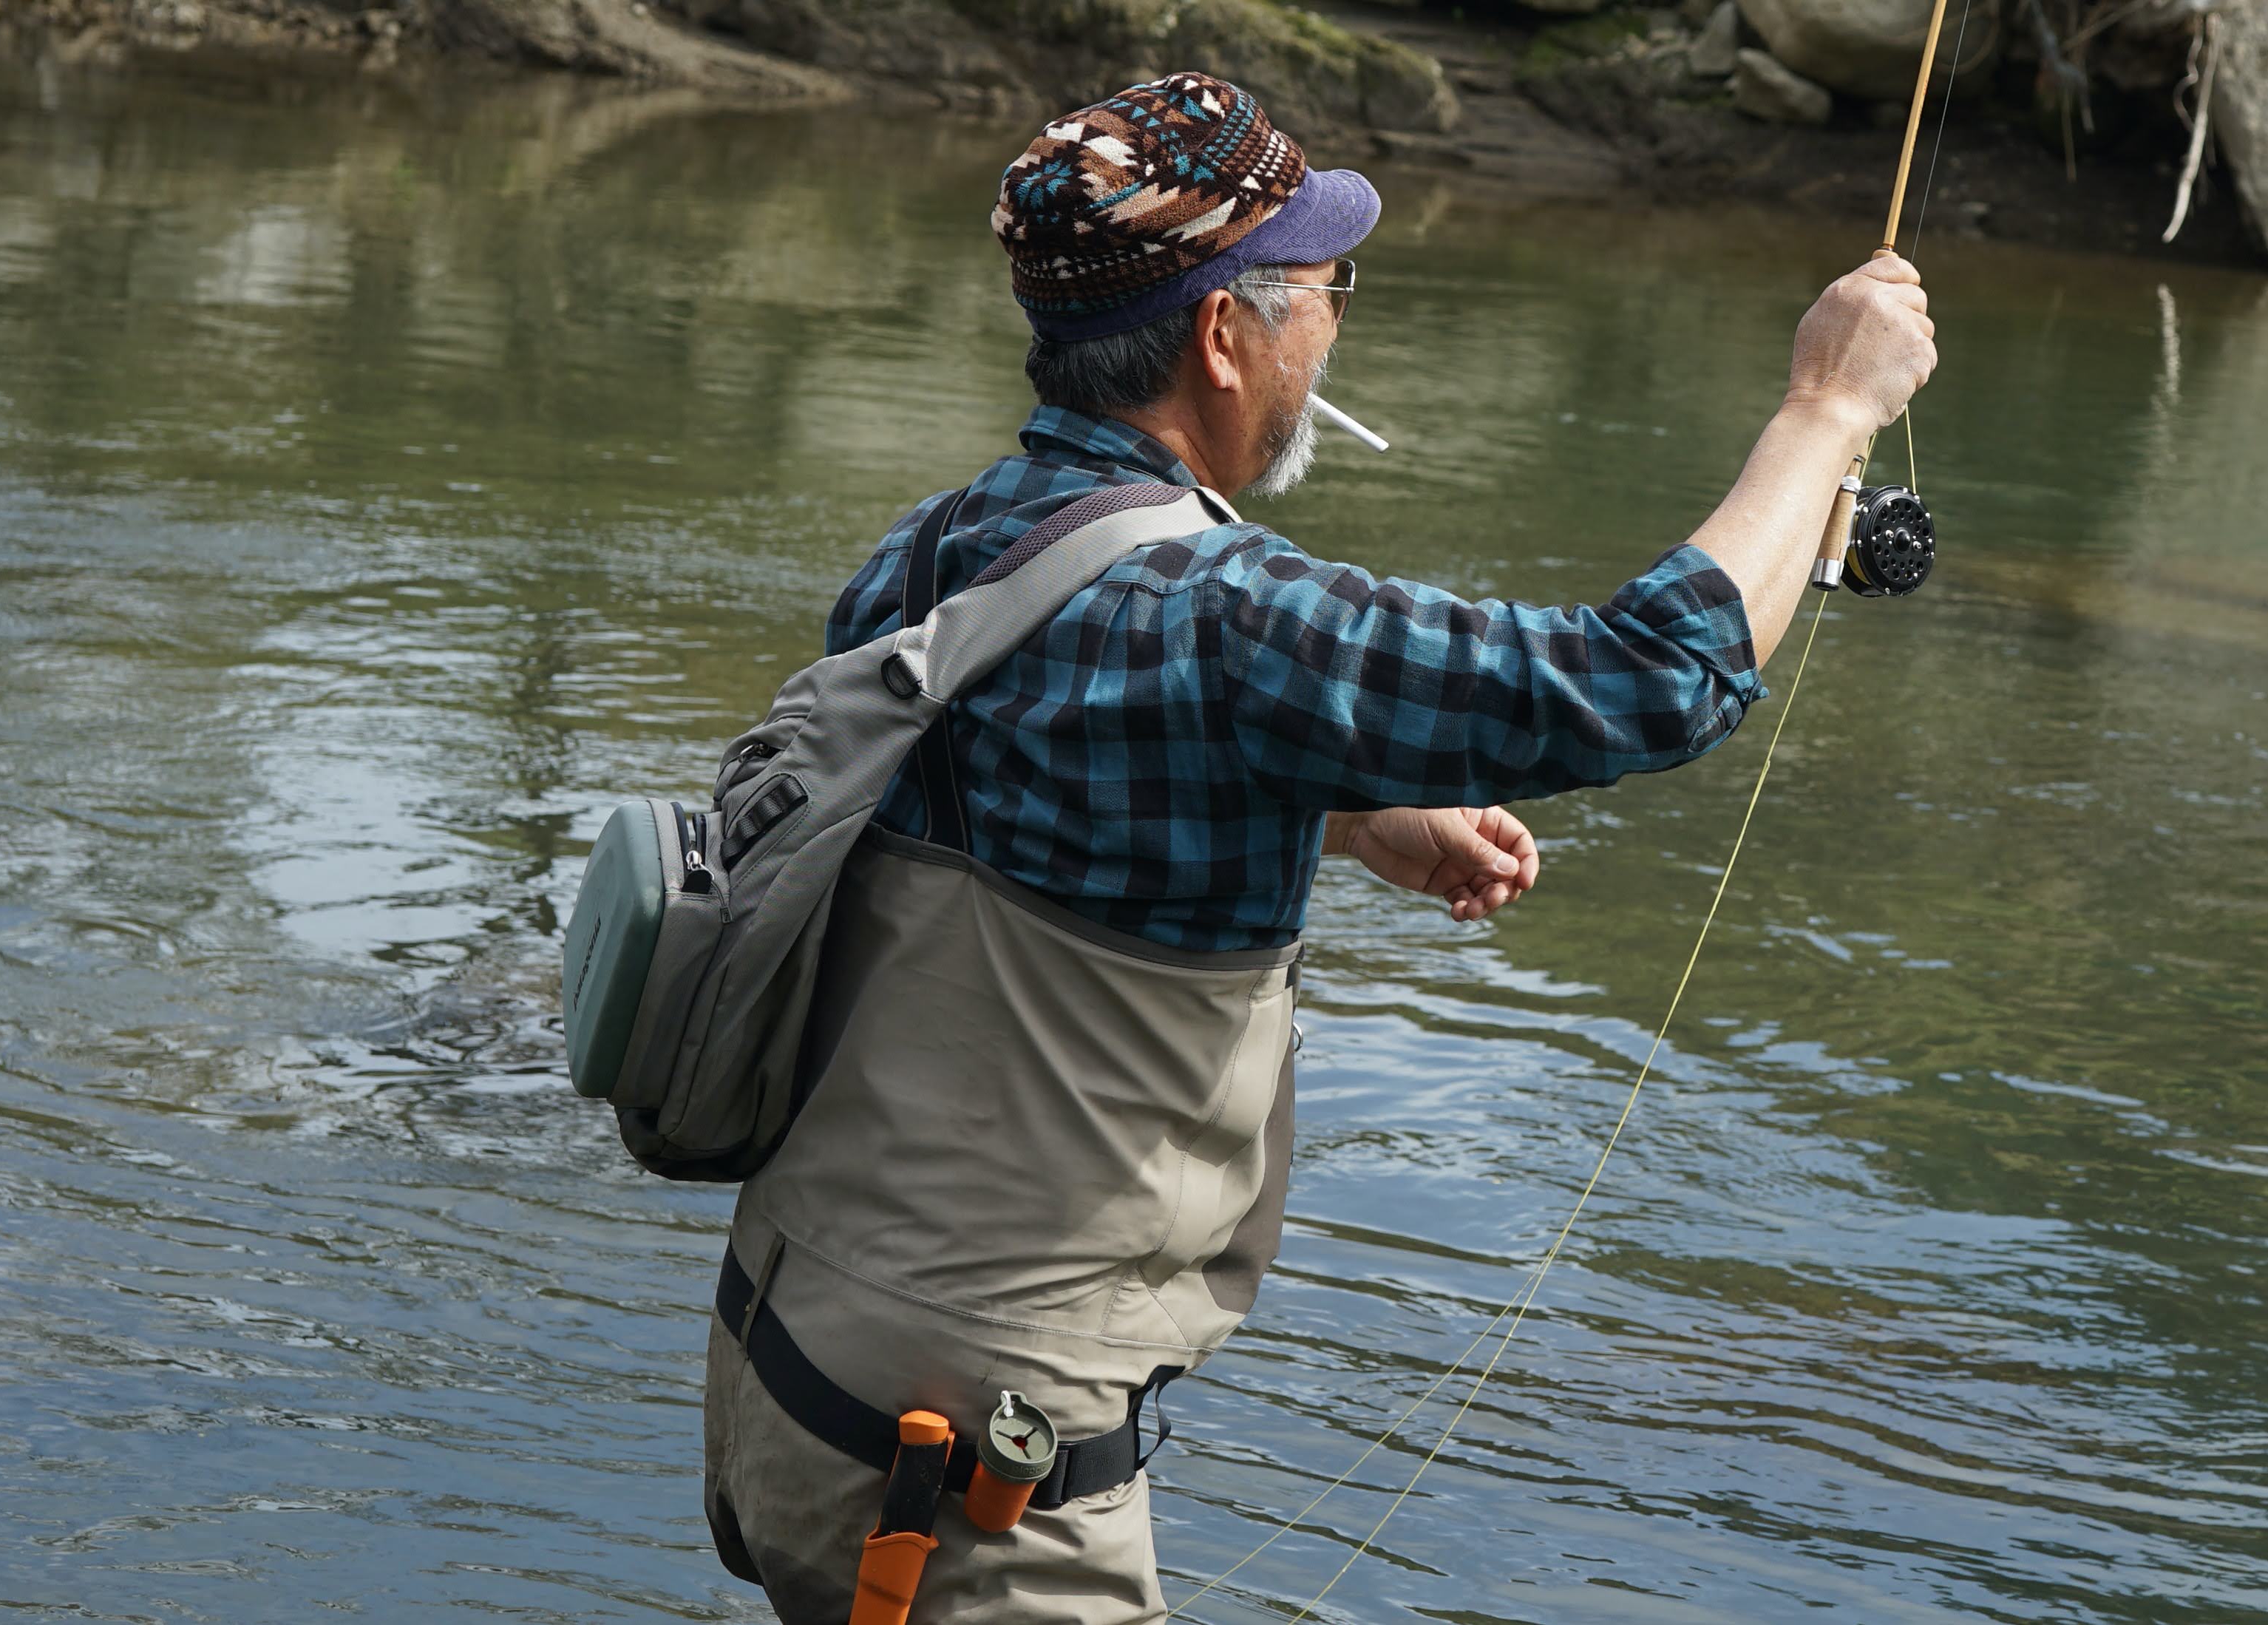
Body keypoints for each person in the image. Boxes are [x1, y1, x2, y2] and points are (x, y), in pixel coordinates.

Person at [699, 70, 1935, 1623]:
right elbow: (1645, 678)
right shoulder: (1233, 617)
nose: (1337, 320)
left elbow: (1021, 792)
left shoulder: (939, 548)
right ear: (1227, 334)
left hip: (789, 1357)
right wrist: (1828, 406)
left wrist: (1349, 809)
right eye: (1327, 286)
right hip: (967, 1469)